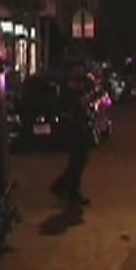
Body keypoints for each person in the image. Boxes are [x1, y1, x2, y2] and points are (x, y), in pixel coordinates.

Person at [50, 62, 93, 207]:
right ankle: (69, 190)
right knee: (77, 162)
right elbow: (67, 109)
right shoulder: (68, 92)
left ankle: (64, 187)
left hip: (80, 129)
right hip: (74, 131)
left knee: (79, 161)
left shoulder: (80, 89)